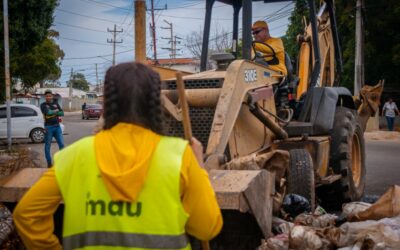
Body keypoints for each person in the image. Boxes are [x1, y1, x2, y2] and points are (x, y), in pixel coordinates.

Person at [13, 62, 223, 249]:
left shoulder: (73, 156)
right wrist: (200, 169)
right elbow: (207, 229)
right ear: (155, 103)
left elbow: (27, 215)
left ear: (108, 103)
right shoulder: (179, 156)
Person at [40, 89, 65, 167]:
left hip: (57, 127)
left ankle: (62, 162)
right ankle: (49, 163)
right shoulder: (43, 105)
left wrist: (53, 111)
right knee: (48, 146)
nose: (49, 97)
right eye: (47, 96)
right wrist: (56, 111)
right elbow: (48, 112)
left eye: (50, 95)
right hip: (48, 127)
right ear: (45, 97)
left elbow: (62, 113)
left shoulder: (56, 103)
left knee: (62, 145)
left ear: (52, 96)